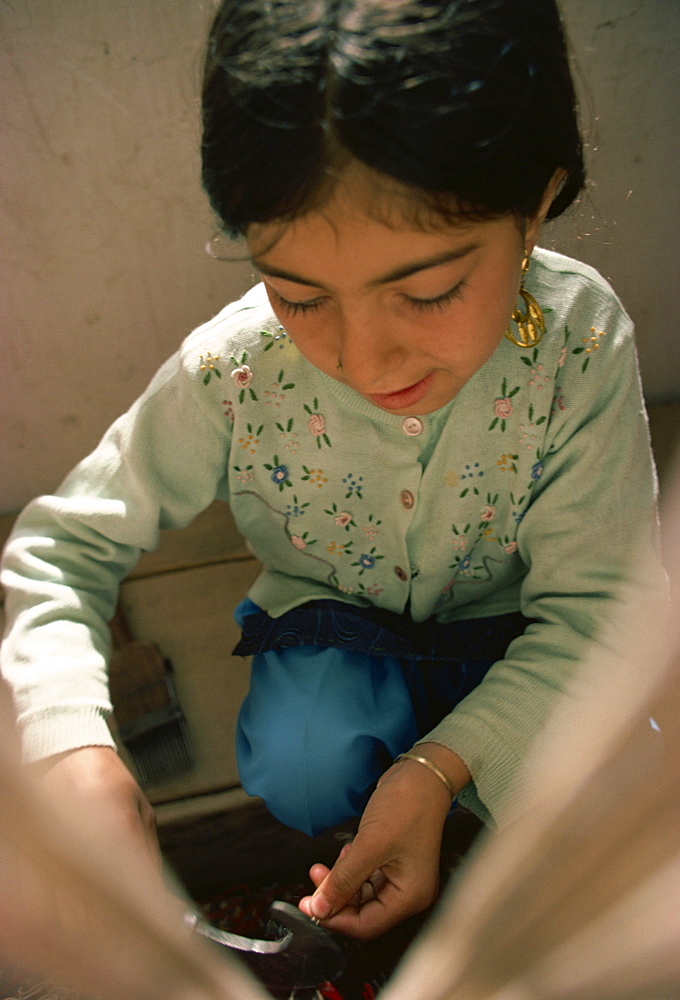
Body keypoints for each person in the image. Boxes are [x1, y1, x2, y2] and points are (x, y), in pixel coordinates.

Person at [0, 0, 664, 943]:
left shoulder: (578, 343)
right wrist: (67, 739)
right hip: (340, 633)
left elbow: (599, 613)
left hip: (535, 636)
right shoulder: (236, 368)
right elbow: (59, 547)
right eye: (298, 295)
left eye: (429, 292)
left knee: (604, 830)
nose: (366, 362)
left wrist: (437, 770)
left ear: (539, 202)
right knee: (300, 765)